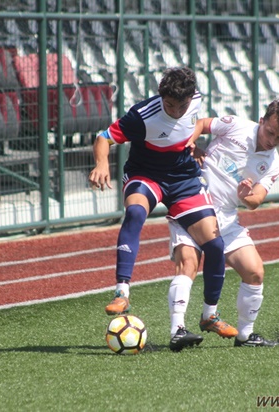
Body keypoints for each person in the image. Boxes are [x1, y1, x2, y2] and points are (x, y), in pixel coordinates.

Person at [89, 67, 237, 349]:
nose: (176, 111)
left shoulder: (196, 99)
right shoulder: (142, 116)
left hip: (183, 179)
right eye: (170, 105)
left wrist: (192, 143)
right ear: (161, 97)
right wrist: (101, 163)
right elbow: (103, 137)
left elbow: (192, 123)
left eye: (182, 106)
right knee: (135, 212)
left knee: (215, 245)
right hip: (146, 175)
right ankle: (121, 292)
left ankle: (209, 315)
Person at [168, 99, 279, 350]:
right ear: (262, 121)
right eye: (270, 132)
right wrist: (190, 144)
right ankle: (177, 330)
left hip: (226, 219)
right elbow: (202, 124)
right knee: (188, 264)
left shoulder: (274, 164)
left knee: (255, 272)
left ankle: (245, 336)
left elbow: (256, 200)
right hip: (194, 204)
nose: (272, 140)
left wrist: (246, 196)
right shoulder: (237, 125)